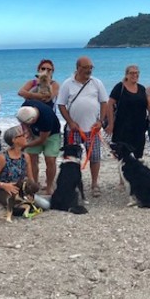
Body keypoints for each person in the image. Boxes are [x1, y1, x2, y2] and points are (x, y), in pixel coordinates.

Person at [57, 56, 108, 197]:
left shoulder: (97, 83)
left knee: (95, 157)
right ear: (78, 68)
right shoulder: (68, 83)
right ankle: (72, 184)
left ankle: (94, 184)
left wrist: (101, 121)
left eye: (91, 67)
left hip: (93, 129)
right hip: (74, 129)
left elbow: (104, 102)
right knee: (72, 159)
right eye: (86, 68)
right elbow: (61, 104)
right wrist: (70, 122)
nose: (89, 70)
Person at [16, 102, 60, 194]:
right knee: (31, 158)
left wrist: (26, 146)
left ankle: (49, 186)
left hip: (51, 134)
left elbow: (42, 140)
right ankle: (34, 184)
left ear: (33, 120)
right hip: (34, 133)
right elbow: (23, 123)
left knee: (50, 159)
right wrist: (27, 131)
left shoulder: (46, 117)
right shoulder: (25, 107)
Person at [106, 64, 148, 159]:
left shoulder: (142, 88)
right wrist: (111, 124)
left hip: (139, 128)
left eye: (136, 73)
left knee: (138, 155)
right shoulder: (120, 87)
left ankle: (136, 174)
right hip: (122, 128)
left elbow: (148, 106)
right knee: (122, 156)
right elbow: (110, 104)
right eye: (131, 73)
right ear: (126, 75)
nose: (134, 75)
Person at [0, 125, 33, 200]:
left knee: (45, 204)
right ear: (14, 140)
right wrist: (4, 185)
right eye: (22, 135)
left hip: (20, 191)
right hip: (4, 193)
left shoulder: (25, 156)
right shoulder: (2, 158)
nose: (25, 137)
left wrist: (31, 190)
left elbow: (30, 179)